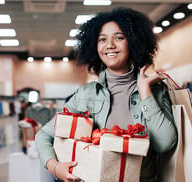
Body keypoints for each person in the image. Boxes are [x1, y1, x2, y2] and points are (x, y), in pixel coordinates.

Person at [35, 7, 177, 182]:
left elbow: (165, 143)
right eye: (102, 39)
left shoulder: (154, 90)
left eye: (119, 38)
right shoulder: (85, 94)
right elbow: (44, 135)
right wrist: (55, 167)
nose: (109, 45)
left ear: (133, 42)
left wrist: (145, 92)